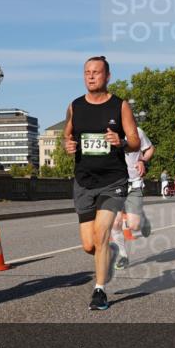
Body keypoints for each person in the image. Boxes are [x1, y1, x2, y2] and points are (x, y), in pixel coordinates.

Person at [64, 56, 141, 310]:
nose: (91, 76)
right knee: (90, 245)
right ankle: (111, 252)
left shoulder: (120, 106)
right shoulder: (75, 106)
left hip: (113, 180)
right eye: (87, 72)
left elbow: (135, 142)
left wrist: (121, 141)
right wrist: (68, 145)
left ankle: (99, 290)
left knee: (101, 234)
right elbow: (67, 135)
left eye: (96, 72)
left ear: (107, 76)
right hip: (84, 182)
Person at [113, 124, 154, 269]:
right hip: (113, 184)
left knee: (134, 225)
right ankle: (123, 256)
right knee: (115, 222)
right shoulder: (107, 132)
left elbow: (150, 148)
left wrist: (143, 160)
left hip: (134, 182)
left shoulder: (136, 131)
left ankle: (142, 218)